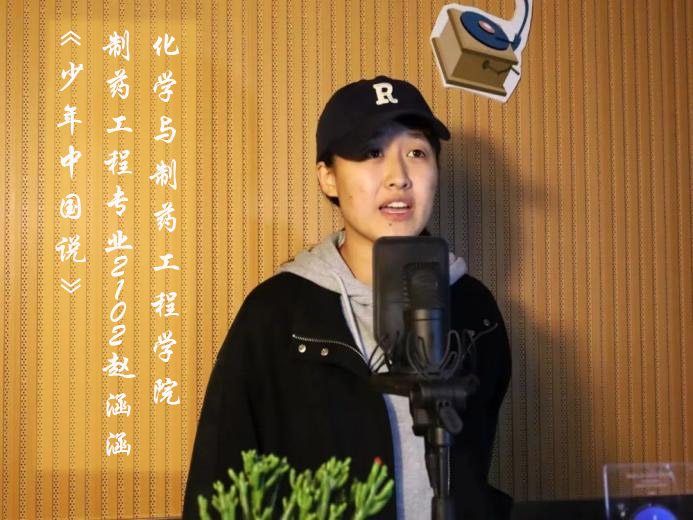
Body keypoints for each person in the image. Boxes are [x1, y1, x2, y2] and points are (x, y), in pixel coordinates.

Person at [182, 76, 512, 519]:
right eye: (372, 152)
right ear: (329, 177)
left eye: (416, 152)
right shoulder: (276, 315)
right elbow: (219, 489)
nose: (399, 177)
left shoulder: (475, 311)